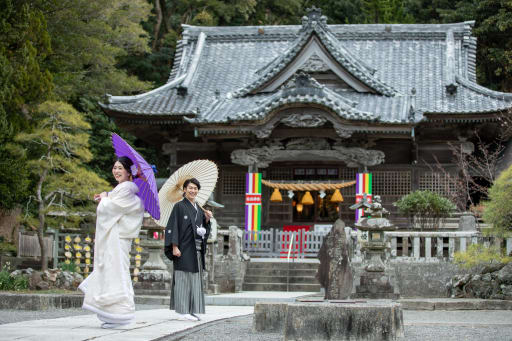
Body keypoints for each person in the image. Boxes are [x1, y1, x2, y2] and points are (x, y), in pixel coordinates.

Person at [78, 156, 144, 329]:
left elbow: (109, 210)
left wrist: (106, 198)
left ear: (129, 172)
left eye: (120, 168)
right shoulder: (124, 190)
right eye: (114, 167)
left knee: (116, 273)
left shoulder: (126, 190)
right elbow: (114, 208)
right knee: (113, 272)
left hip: (117, 240)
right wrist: (107, 197)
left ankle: (120, 314)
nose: (116, 171)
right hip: (116, 239)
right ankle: (113, 313)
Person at [164, 178, 213, 321]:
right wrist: (174, 246)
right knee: (183, 278)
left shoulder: (198, 207)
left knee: (194, 279)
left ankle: (191, 309)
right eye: (190, 188)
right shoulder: (179, 206)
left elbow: (201, 228)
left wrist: (207, 220)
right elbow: (173, 226)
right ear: (184, 189)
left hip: (196, 248)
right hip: (183, 248)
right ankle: (182, 311)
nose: (193, 191)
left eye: (195, 188)